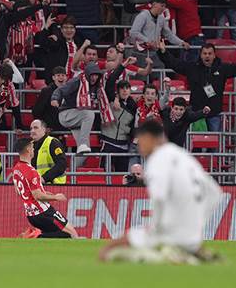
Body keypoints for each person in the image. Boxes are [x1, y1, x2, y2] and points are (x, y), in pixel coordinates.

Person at [99, 120, 222, 264]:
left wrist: (158, 226)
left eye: (141, 141)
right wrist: (197, 222)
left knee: (119, 251)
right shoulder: (181, 154)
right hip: (193, 235)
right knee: (140, 240)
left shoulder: (157, 159)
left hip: (172, 232)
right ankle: (191, 252)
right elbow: (215, 192)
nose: (139, 146)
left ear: (150, 138)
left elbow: (158, 196)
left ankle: (178, 255)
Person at [157, 40, 236, 132]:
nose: (207, 56)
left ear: (214, 55)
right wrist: (163, 52)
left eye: (210, 53)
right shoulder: (192, 68)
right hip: (196, 112)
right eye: (204, 53)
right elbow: (175, 64)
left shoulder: (222, 68)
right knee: (195, 144)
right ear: (200, 55)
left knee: (214, 145)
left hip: (214, 113)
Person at [12, 137, 78, 239]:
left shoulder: (16, 168)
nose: (34, 150)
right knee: (72, 234)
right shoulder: (31, 171)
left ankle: (36, 236)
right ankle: (35, 236)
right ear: (29, 150)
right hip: (43, 212)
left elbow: (19, 191)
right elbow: (37, 195)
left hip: (31, 215)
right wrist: (56, 197)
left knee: (56, 237)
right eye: (33, 147)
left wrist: (44, 192)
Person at [51, 63, 115, 154]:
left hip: (78, 120)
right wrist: (54, 99)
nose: (94, 78)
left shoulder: (98, 86)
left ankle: (73, 167)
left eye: (96, 75)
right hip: (66, 114)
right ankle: (83, 143)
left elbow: (112, 79)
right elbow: (60, 90)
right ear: (87, 74)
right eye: (92, 75)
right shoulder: (77, 81)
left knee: (85, 151)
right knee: (89, 114)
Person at [129, 0, 189, 68]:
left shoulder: (161, 18)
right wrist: (148, 41)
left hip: (155, 52)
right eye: (162, 6)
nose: (164, 8)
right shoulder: (143, 16)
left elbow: (168, 34)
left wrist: (181, 42)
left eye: (165, 6)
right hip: (141, 52)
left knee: (160, 71)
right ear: (154, 4)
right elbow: (133, 32)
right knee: (142, 77)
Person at [101, 80, 137, 172]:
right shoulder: (111, 100)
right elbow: (109, 83)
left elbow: (133, 127)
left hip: (124, 146)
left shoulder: (134, 106)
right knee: (104, 175)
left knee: (121, 177)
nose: (125, 91)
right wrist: (122, 66)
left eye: (127, 88)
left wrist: (128, 131)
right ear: (117, 91)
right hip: (109, 143)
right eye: (122, 88)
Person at [34, 15, 83, 82]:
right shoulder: (56, 41)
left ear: (75, 30)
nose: (69, 30)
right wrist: (46, 27)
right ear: (61, 30)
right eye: (66, 28)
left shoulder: (79, 42)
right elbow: (41, 41)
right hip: (58, 82)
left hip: (74, 81)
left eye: (71, 28)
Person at [30, 119, 67, 185]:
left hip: (54, 185)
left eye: (36, 128)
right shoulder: (30, 145)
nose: (32, 131)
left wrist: (44, 178)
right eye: (31, 128)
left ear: (44, 129)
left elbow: (61, 165)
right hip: (38, 186)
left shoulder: (52, 142)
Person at [32, 66, 68, 131]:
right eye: (58, 75)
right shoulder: (46, 91)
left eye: (63, 75)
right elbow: (36, 111)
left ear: (66, 77)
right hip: (50, 129)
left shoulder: (69, 91)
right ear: (53, 77)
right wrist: (44, 126)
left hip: (64, 128)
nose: (61, 77)